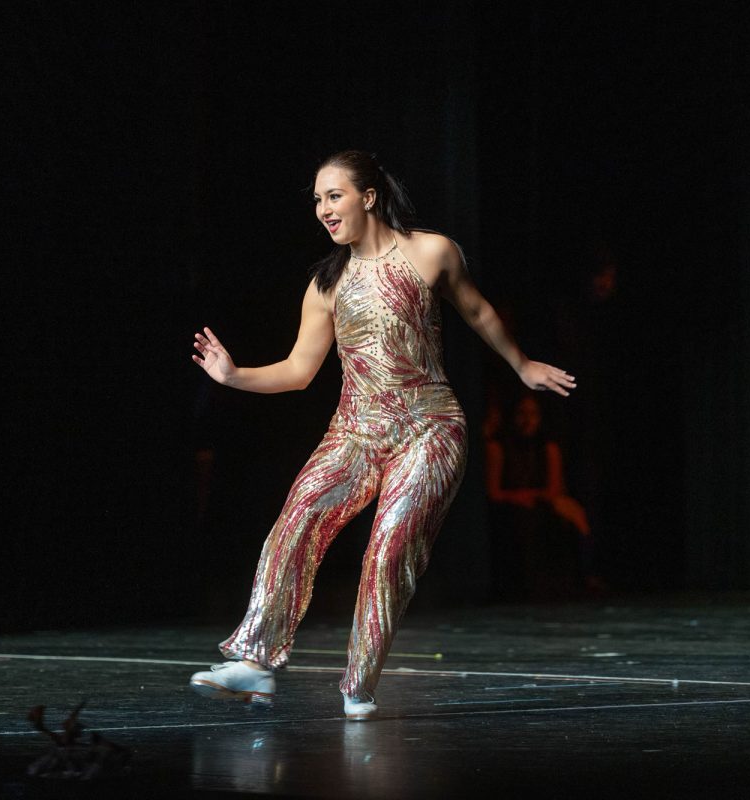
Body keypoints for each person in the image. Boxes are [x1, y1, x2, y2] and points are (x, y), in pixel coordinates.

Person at [188, 150, 576, 720]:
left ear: (368, 196)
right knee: (295, 521)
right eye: (317, 199)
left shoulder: (430, 251)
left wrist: (521, 366)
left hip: (430, 428)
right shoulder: (327, 283)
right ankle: (256, 661)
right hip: (355, 432)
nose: (323, 209)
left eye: (334, 195)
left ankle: (359, 684)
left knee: (389, 549)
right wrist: (233, 375)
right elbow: (298, 371)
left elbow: (478, 311)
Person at [485, 392, 591, 600]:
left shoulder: (548, 449)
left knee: (565, 520)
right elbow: (494, 493)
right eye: (521, 414)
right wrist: (521, 498)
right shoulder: (497, 449)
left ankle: (577, 579)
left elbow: (552, 489)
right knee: (523, 521)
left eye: (533, 414)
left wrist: (532, 497)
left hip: (541, 504)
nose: (527, 420)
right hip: (512, 508)